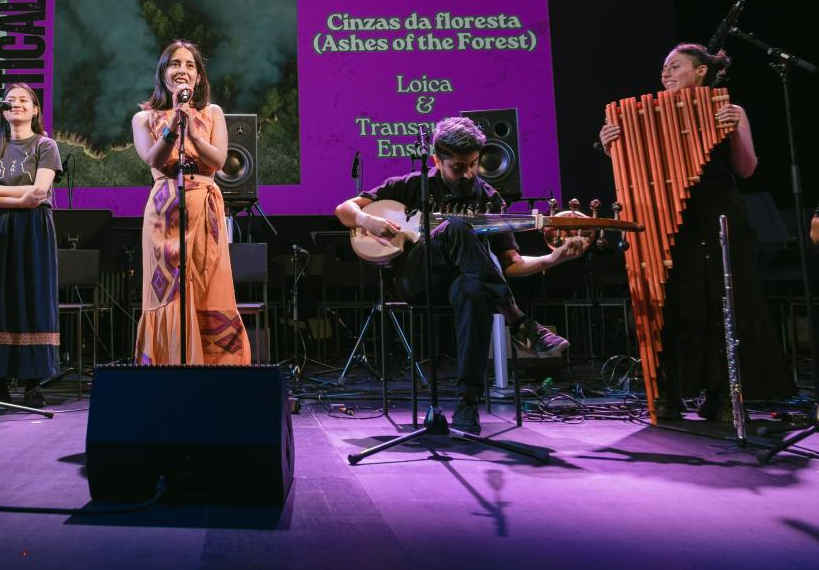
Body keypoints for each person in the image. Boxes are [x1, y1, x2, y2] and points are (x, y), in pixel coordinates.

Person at [335, 116, 587, 435]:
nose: (467, 173)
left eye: (473, 164)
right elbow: (344, 210)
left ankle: (468, 403)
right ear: (436, 160)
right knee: (456, 226)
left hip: (463, 285)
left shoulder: (488, 197)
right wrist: (366, 220)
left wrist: (552, 258)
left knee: (473, 288)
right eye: (458, 167)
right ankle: (519, 322)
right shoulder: (411, 185)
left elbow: (510, 263)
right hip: (417, 280)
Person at [599, 43, 794, 421]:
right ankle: (666, 391)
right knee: (670, 300)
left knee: (723, 301)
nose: (666, 74)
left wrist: (736, 129)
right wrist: (613, 148)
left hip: (718, 210)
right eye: (663, 69)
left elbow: (746, 168)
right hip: (664, 217)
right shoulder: (644, 114)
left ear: (701, 71)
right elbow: (637, 172)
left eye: (675, 66)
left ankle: (722, 395)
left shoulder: (726, 108)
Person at [131, 40, 251, 365]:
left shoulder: (213, 113)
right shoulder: (143, 118)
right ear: (164, 73)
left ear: (198, 77)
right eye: (175, 64)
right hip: (164, 210)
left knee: (211, 285)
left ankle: (217, 372)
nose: (182, 70)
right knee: (167, 290)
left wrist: (194, 131)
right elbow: (154, 160)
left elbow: (218, 161)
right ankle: (168, 366)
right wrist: (173, 123)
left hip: (205, 206)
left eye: (190, 65)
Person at [0, 82, 62, 408]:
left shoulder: (45, 145)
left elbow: (39, 194)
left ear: (35, 109)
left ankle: (32, 381)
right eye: (10, 100)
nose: (16, 104)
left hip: (34, 230)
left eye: (24, 100)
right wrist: (20, 195)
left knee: (31, 297)